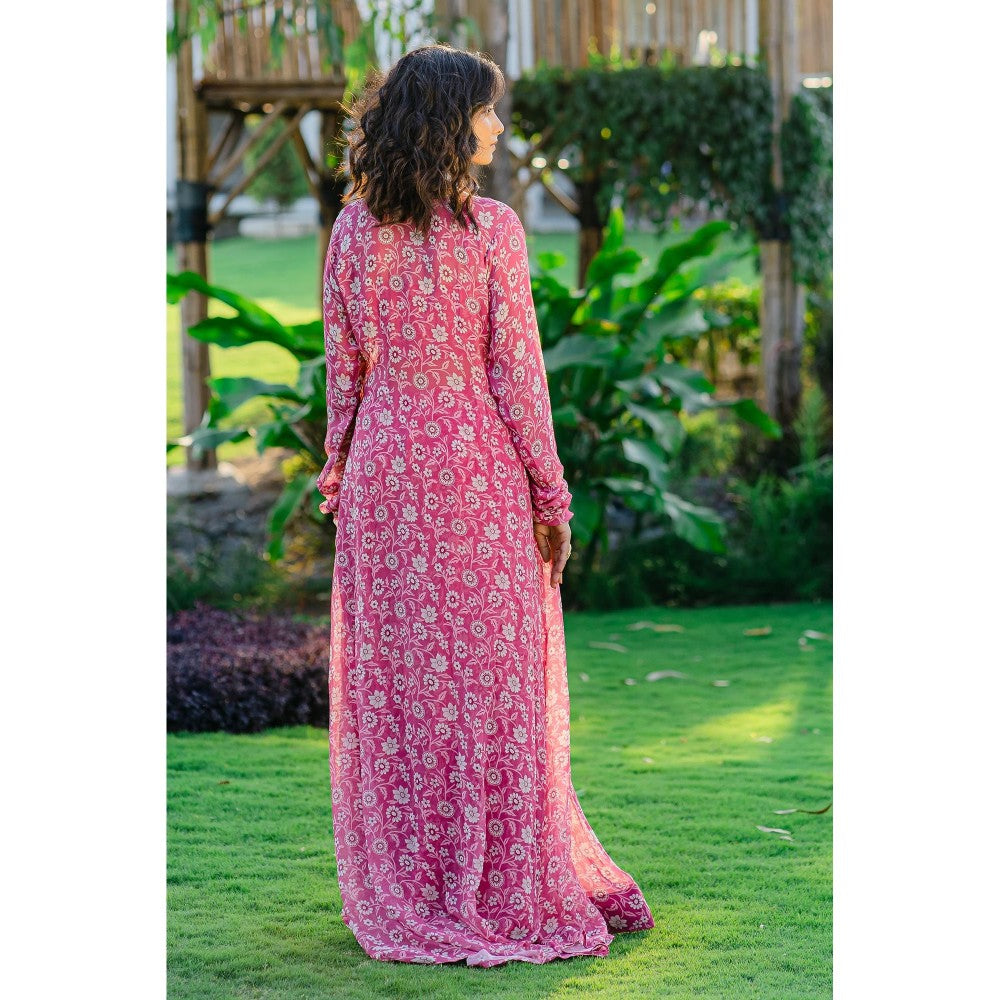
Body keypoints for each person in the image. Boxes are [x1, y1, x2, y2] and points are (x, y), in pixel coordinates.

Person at [316, 42, 654, 968]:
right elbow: (517, 374)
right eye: (485, 110)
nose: (497, 127)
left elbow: (344, 371)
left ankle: (419, 883)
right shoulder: (493, 230)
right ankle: (497, 873)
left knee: (406, 689)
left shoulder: (352, 232)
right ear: (447, 122)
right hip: (476, 471)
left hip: (388, 472)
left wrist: (339, 469)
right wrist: (551, 494)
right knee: (493, 681)